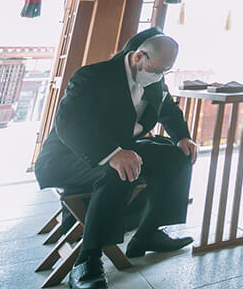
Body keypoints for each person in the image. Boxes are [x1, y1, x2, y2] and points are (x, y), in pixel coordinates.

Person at [35, 29, 198, 289]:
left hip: (121, 148)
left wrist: (182, 138)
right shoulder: (92, 76)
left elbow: (168, 109)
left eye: (164, 71)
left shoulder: (154, 81)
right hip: (68, 155)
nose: (159, 77)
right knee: (118, 170)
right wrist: (110, 154)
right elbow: (69, 124)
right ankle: (87, 260)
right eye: (157, 70)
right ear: (137, 57)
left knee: (176, 157)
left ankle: (147, 234)